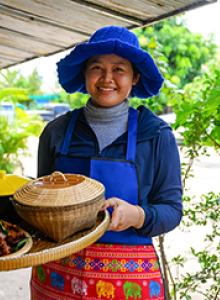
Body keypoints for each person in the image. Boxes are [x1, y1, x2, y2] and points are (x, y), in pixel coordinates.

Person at [31, 25, 182, 300]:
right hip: (57, 276)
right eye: (97, 67)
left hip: (129, 281)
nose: (107, 79)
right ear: (85, 73)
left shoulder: (156, 135)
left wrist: (138, 215)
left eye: (119, 69)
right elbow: (37, 204)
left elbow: (172, 210)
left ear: (135, 77)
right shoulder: (56, 132)